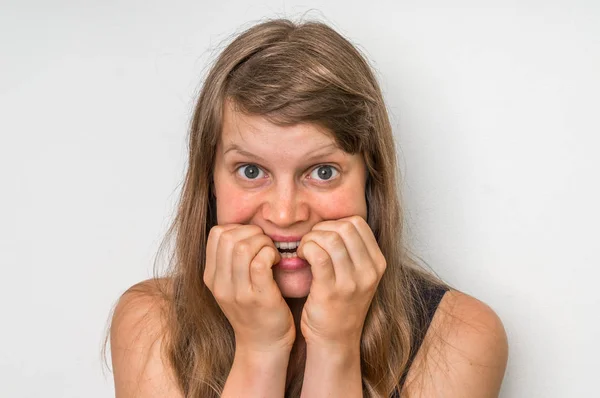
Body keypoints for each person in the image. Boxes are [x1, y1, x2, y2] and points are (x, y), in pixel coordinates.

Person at [106, 18, 508, 397]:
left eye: (322, 171)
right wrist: (260, 349)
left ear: (371, 180)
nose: (285, 214)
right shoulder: (151, 322)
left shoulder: (461, 334)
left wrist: (335, 344)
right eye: (250, 170)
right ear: (209, 180)